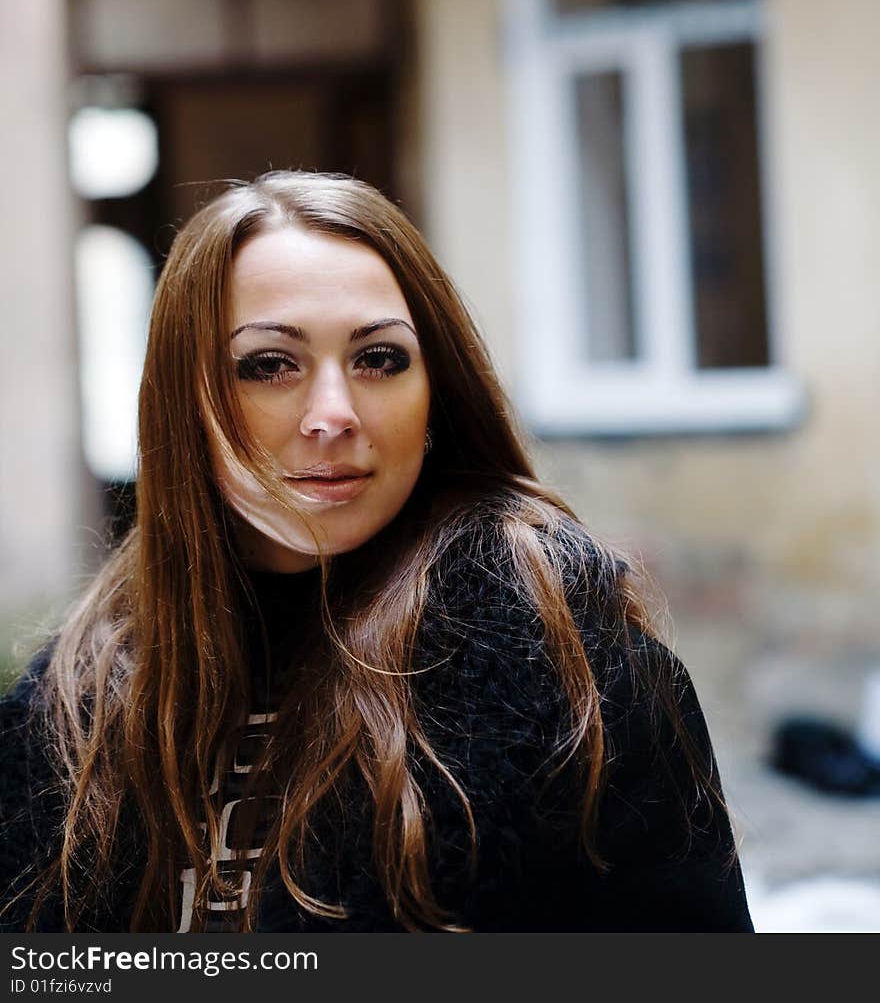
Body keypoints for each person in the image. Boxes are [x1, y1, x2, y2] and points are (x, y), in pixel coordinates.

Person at [0, 170, 753, 933]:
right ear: (184, 401)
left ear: (436, 392)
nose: (333, 414)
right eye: (269, 365)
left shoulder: (565, 660)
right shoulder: (69, 708)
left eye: (380, 359)